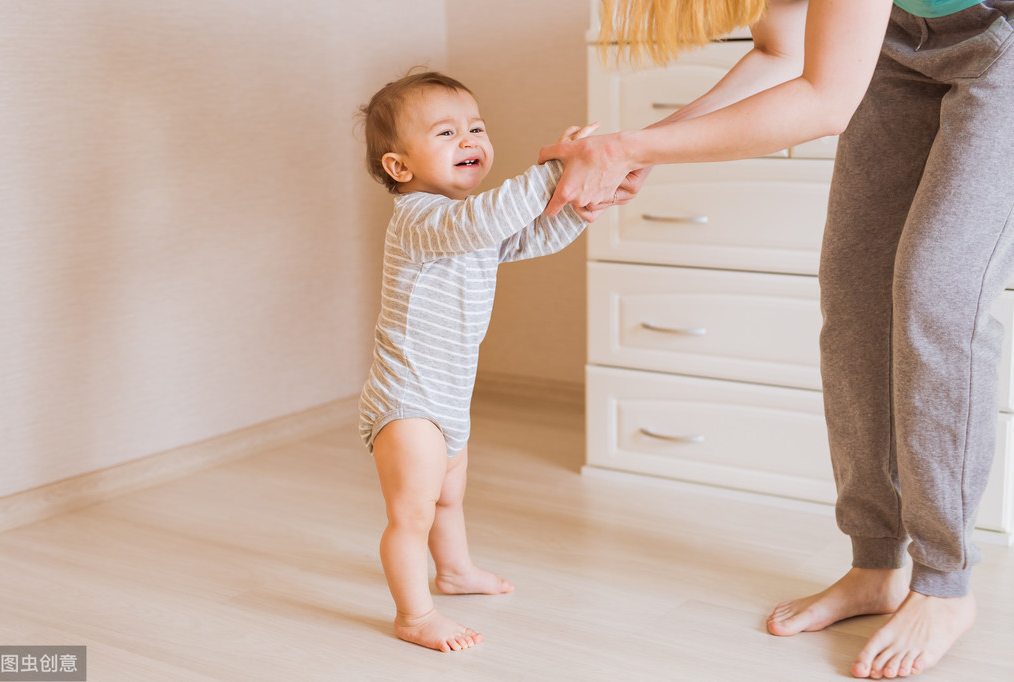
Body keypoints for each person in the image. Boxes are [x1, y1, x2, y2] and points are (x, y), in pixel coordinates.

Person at [539, 0, 1014, 678]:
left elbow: (822, 103)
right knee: (852, 294)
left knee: (936, 293)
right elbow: (779, 53)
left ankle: (943, 583)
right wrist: (651, 141)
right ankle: (873, 561)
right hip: (894, 43)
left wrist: (632, 148)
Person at [357, 69, 596, 652]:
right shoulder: (420, 218)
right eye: (446, 132)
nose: (469, 140)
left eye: (476, 128)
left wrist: (582, 204)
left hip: (449, 396)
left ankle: (456, 571)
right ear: (400, 168)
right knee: (411, 513)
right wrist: (556, 171)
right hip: (407, 400)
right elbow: (487, 220)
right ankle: (413, 615)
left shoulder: (467, 227)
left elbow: (527, 237)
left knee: (449, 497)